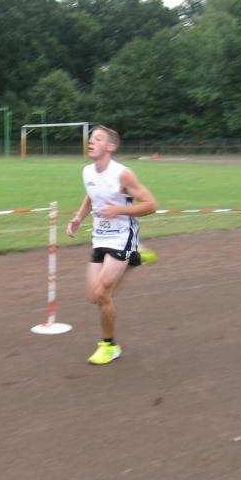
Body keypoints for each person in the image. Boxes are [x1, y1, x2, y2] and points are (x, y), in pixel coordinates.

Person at [66, 126, 157, 364]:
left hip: (122, 235)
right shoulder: (87, 171)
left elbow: (150, 205)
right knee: (93, 296)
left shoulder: (123, 174)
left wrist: (118, 210)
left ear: (111, 146)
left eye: (98, 139)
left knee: (102, 292)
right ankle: (136, 256)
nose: (91, 142)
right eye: (90, 138)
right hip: (100, 237)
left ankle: (109, 346)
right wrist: (78, 218)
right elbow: (91, 194)